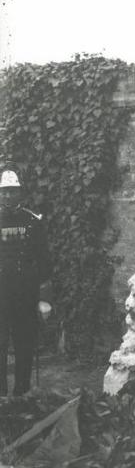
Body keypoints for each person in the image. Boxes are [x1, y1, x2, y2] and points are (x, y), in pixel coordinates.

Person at [0, 168, 52, 396]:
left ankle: (22, 392)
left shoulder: (33, 222)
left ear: (19, 192)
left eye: (12, 191)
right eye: (4, 192)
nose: (8, 196)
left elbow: (44, 262)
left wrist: (44, 299)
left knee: (24, 344)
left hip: (25, 294)